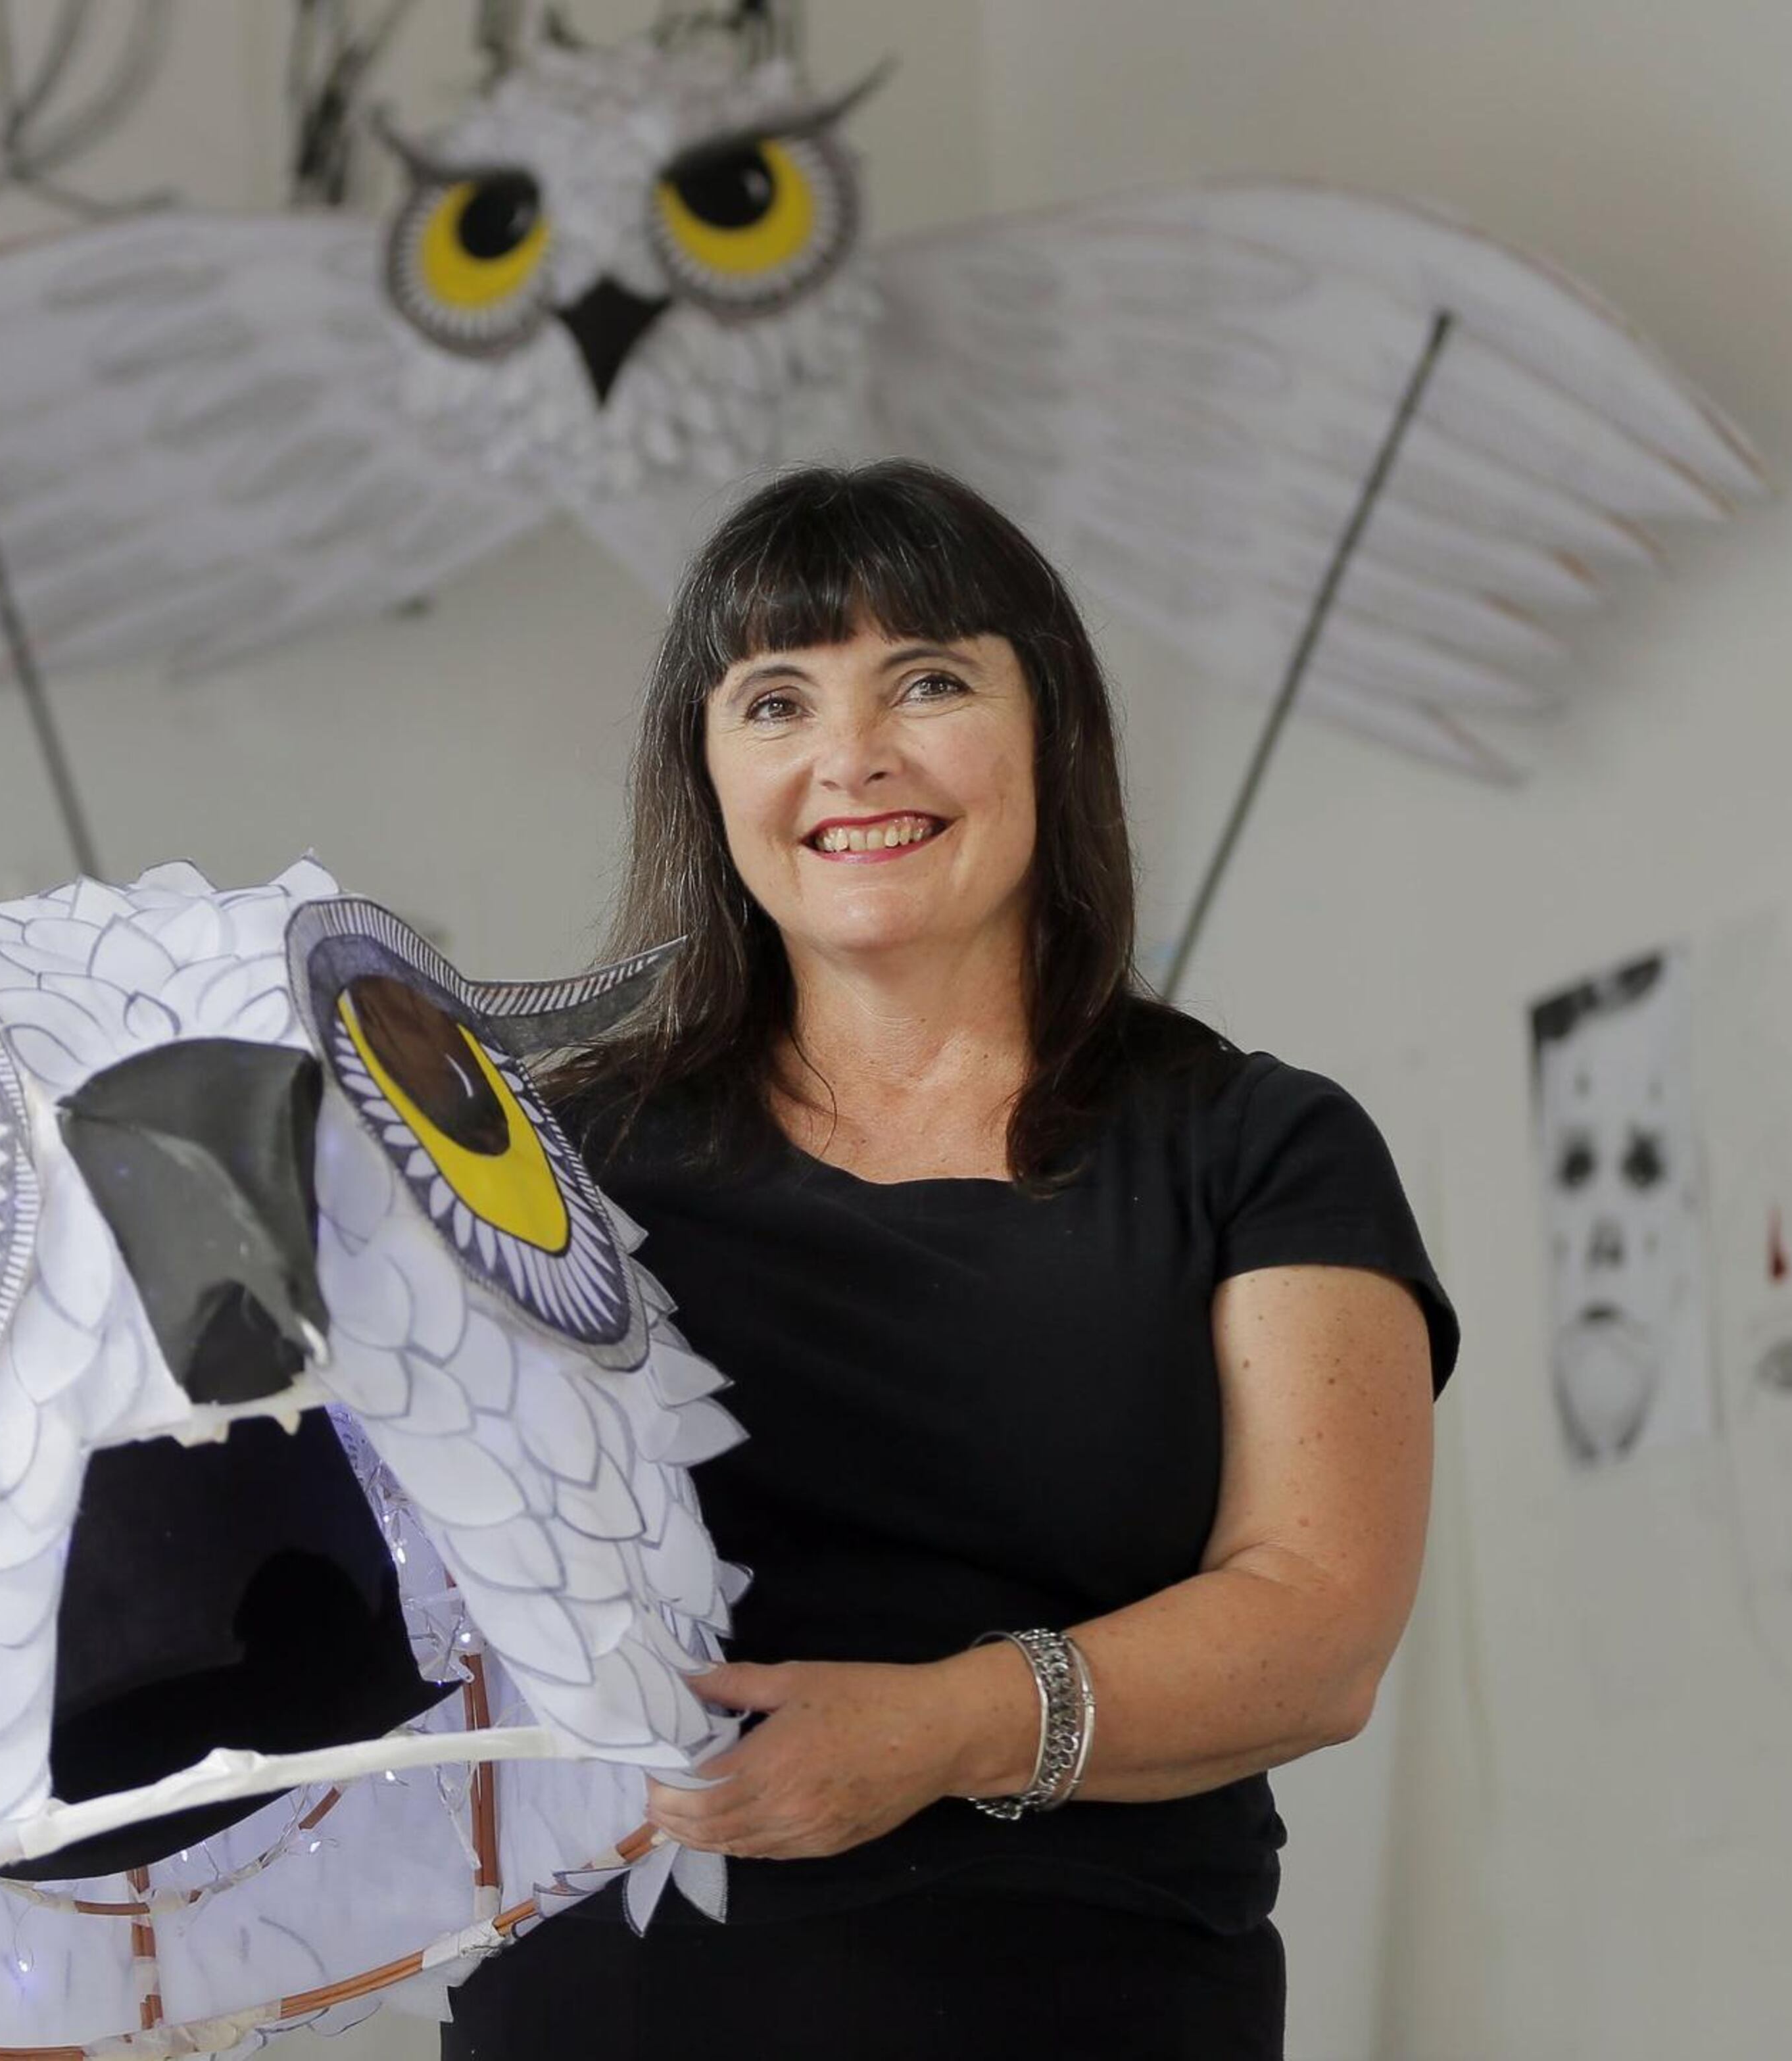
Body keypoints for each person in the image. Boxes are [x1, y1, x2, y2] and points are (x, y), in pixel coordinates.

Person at [441, 461, 1459, 2060]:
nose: (851, 756)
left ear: (1052, 730)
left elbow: (1320, 1630)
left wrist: (940, 1726)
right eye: (776, 702)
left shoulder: (1263, 1147)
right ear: (708, 773)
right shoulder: (544, 1159)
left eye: (927, 683)